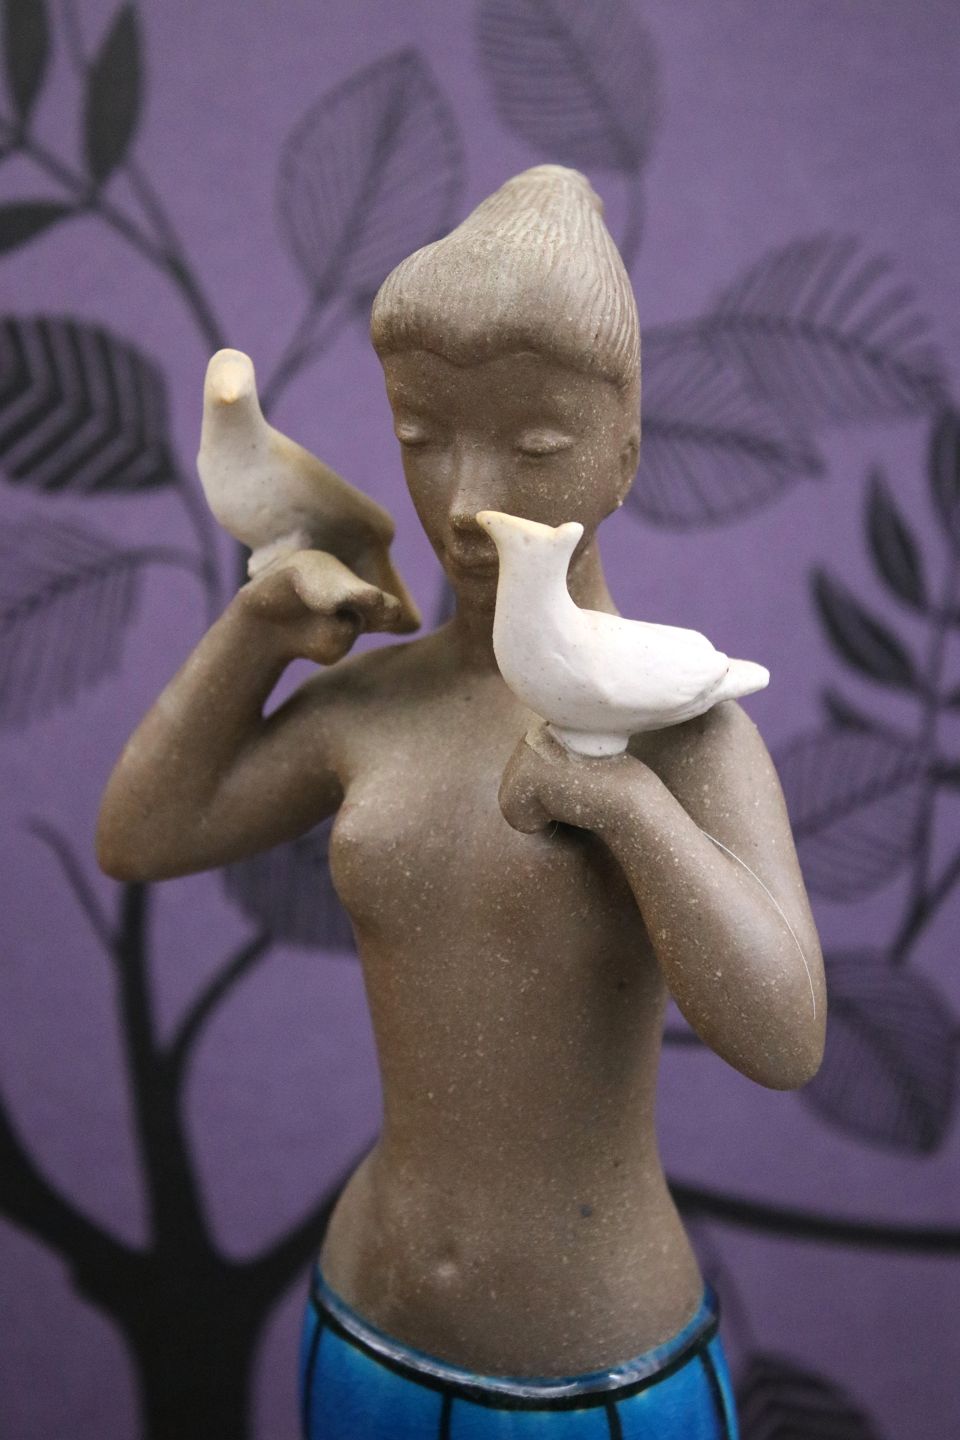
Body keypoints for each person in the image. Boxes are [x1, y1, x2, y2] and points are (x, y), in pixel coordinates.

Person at [98, 166, 825, 1439]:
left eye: (534, 446)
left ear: (624, 453)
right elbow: (140, 835)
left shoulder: (678, 723)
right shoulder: (381, 705)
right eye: (421, 435)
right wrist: (256, 632)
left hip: (602, 1379)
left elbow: (786, 1037)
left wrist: (627, 809)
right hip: (365, 1325)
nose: (462, 496)